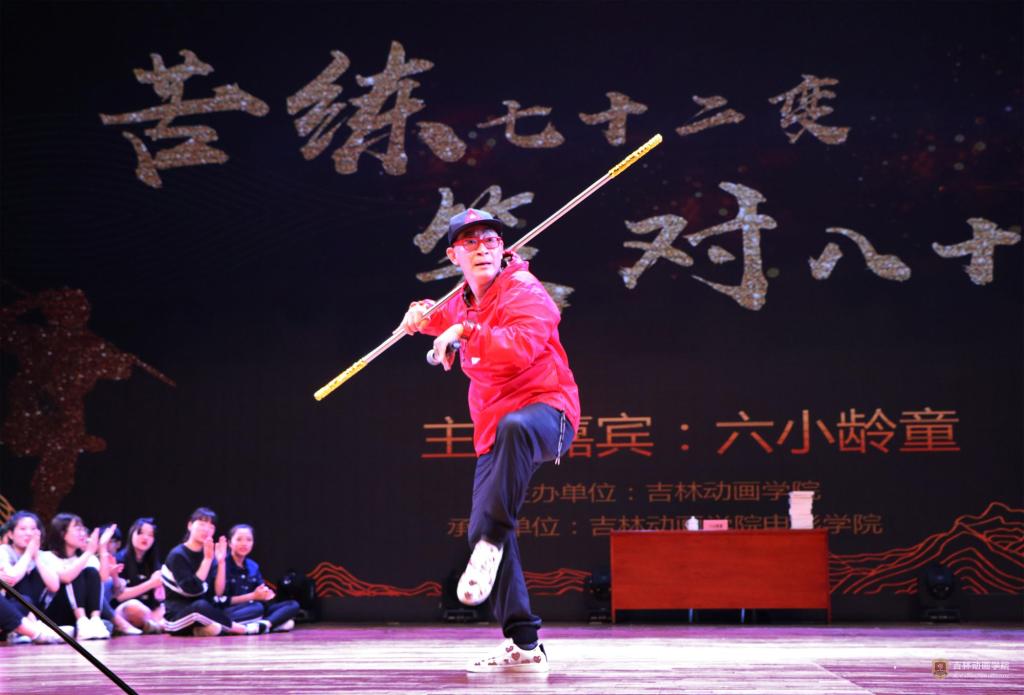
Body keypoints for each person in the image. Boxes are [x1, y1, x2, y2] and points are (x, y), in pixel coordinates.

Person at [401, 208, 580, 673]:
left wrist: (464, 331)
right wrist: (420, 316)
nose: (482, 248)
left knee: (512, 443)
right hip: (493, 432)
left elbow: (518, 346)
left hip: (549, 413)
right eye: (470, 242)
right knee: (478, 529)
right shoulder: (460, 300)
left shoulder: (524, 290)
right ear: (453, 255)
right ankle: (524, 644)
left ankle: (493, 539)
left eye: (491, 240)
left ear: (503, 249)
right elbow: (436, 316)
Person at [160, 507, 267, 637]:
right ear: (190, 525)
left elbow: (218, 593)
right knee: (200, 606)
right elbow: (192, 590)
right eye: (202, 524)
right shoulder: (178, 555)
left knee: (255, 607)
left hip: (204, 614)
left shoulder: (208, 553)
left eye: (211, 527)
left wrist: (221, 562)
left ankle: (201, 630)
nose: (206, 529)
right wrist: (207, 560)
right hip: (178, 617)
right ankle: (241, 629)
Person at [39, 513, 115, 640]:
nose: (83, 533)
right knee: (76, 572)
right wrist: (89, 551)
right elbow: (66, 577)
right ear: (62, 533)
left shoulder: (87, 557)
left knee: (91, 572)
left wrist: (102, 548)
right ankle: (82, 622)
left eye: (83, 529)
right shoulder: (46, 556)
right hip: (55, 612)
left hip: (79, 612)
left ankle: (95, 620)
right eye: (77, 529)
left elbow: (102, 578)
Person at [213, 524, 299, 632]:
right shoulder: (221, 563)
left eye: (249, 540)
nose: (244, 543)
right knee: (258, 608)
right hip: (231, 612)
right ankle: (267, 625)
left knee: (292, 605)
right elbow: (221, 599)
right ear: (230, 543)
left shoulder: (253, 566)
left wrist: (265, 594)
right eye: (239, 539)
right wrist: (252, 596)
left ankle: (263, 625)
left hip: (253, 608)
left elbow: (260, 590)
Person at [0, 510, 64, 644]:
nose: (29, 533)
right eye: (23, 529)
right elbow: (11, 579)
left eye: (33, 529)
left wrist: (37, 558)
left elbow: (54, 586)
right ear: (11, 534)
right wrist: (28, 554)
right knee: (24, 597)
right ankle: (29, 630)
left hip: (35, 608)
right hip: (10, 606)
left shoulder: (43, 555)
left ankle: (31, 628)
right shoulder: (4, 551)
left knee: (32, 586)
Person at [112, 517, 165, 634]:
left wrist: (160, 590)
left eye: (150, 535)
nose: (145, 538)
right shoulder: (119, 560)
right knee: (134, 607)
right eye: (140, 533)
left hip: (149, 611)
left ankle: (152, 625)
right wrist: (151, 583)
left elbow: (158, 600)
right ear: (132, 534)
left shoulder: (154, 564)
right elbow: (120, 596)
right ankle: (154, 625)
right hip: (124, 610)